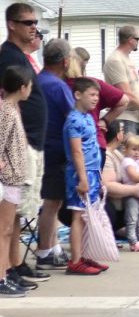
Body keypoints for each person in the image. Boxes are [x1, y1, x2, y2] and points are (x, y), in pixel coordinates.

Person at [0, 4, 49, 278]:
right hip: (22, 144)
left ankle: (14, 262)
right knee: (13, 212)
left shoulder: (23, 56)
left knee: (22, 210)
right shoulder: (8, 57)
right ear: (11, 24)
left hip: (32, 143)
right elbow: (7, 100)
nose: (33, 27)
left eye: (35, 22)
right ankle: (7, 266)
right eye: (27, 22)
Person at [35, 39, 77, 270]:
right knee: (52, 203)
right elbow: (73, 117)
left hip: (42, 149)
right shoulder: (58, 87)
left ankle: (51, 247)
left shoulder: (38, 81)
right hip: (55, 152)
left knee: (51, 202)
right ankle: (45, 251)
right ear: (65, 61)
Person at [64, 78, 105, 275]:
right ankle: (76, 259)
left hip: (93, 171)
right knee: (78, 216)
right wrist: (82, 178)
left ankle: (86, 254)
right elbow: (77, 151)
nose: (96, 98)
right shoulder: (74, 120)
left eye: (97, 95)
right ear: (78, 95)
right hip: (80, 173)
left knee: (89, 216)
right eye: (91, 94)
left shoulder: (89, 117)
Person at [1, 65, 33, 296]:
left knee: (9, 230)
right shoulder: (6, 111)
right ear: (22, 88)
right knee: (3, 231)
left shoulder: (12, 110)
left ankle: (5, 271)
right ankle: (1, 276)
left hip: (14, 178)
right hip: (8, 179)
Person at [103, 26, 139, 132]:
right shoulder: (115, 60)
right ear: (131, 40)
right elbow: (125, 92)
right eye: (137, 39)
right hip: (122, 118)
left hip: (134, 118)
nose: (138, 42)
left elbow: (134, 91)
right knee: (126, 149)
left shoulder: (127, 59)